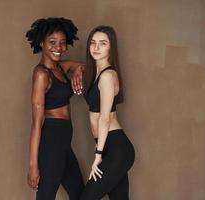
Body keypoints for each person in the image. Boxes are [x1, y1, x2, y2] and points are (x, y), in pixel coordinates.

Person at [25, 17, 84, 200]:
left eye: (62, 43)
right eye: (52, 42)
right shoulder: (41, 74)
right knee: (45, 196)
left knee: (79, 194)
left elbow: (83, 66)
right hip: (51, 141)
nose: (58, 48)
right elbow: (37, 122)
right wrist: (33, 165)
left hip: (64, 141)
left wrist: (78, 71)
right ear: (41, 43)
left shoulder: (59, 67)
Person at [80, 25, 135, 200]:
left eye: (102, 43)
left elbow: (105, 118)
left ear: (111, 47)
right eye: (93, 43)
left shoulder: (106, 76)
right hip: (109, 146)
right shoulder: (95, 73)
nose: (96, 47)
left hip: (116, 148)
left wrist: (98, 154)